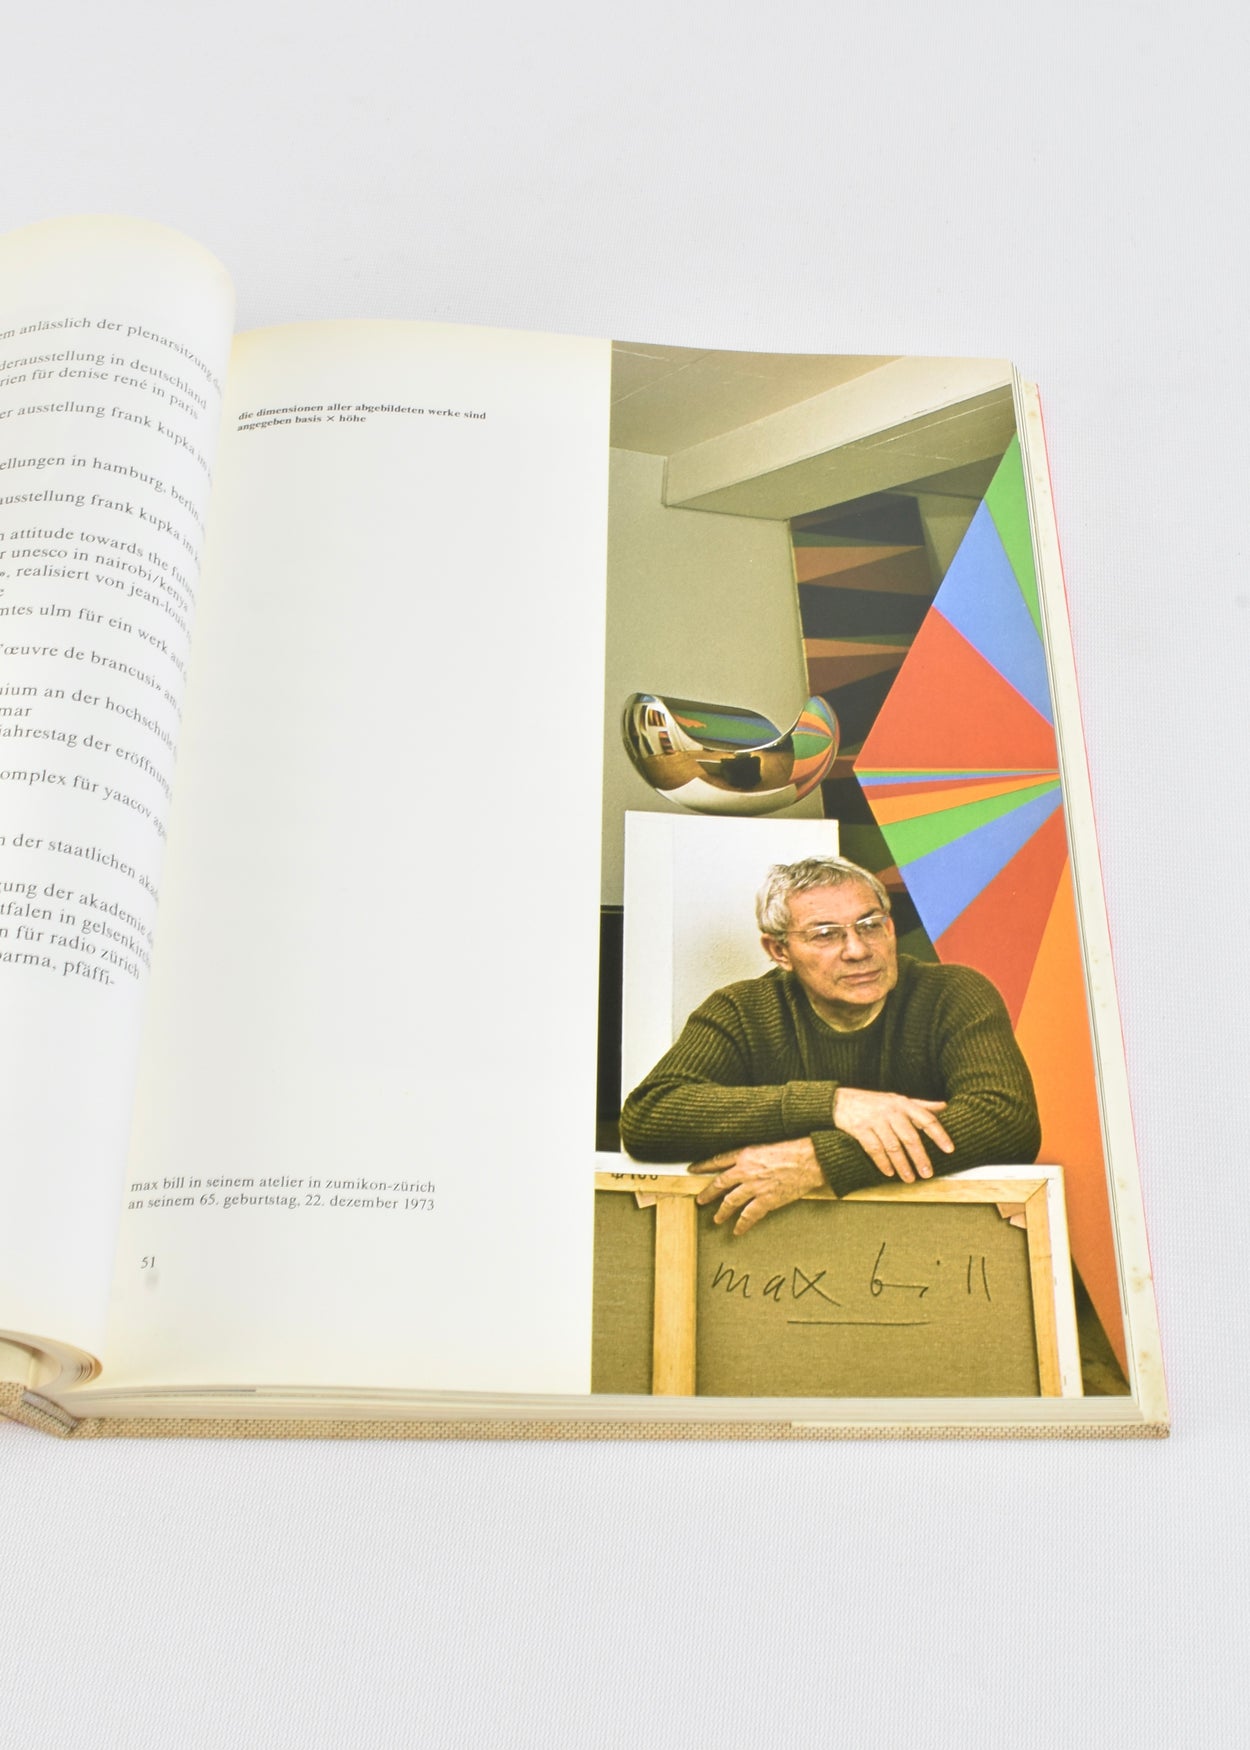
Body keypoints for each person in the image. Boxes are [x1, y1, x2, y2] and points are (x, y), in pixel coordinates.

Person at [620, 854, 1040, 1236]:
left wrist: (819, 1161)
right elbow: (649, 1117)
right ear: (779, 951)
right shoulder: (742, 1010)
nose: (858, 950)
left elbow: (1007, 1120)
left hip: (934, 1240)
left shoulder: (954, 993)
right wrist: (833, 1104)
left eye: (871, 925)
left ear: (891, 928)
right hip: (785, 1247)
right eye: (825, 935)